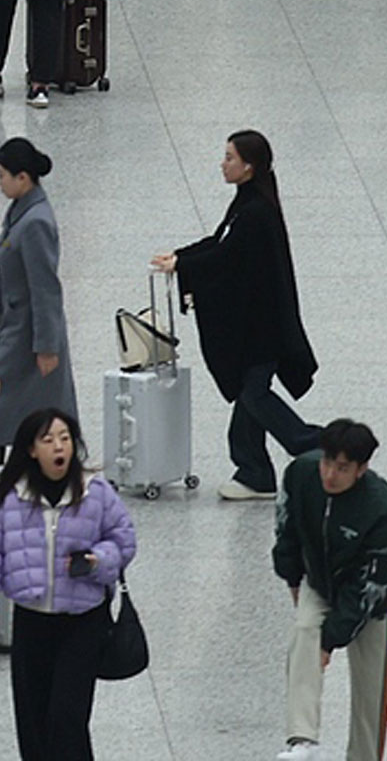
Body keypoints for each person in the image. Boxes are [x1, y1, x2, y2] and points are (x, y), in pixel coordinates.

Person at [155, 128, 320, 505]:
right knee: (249, 395)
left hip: (262, 327)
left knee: (254, 395)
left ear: (249, 166)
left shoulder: (257, 213)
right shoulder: (248, 204)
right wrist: (180, 258)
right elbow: (220, 243)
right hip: (258, 323)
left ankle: (319, 444)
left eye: (230, 157)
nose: (223, 163)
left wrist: (184, 265)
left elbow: (227, 259)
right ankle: (254, 472)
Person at [0, 407, 136, 761]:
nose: (59, 447)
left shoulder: (97, 493)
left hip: (83, 621)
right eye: (48, 440)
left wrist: (98, 560)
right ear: (31, 450)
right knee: (34, 720)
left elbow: (124, 542)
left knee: (67, 717)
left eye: (65, 438)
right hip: (32, 621)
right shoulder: (11, 497)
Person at [274, 418, 387, 761]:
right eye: (327, 462)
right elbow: (286, 530)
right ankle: (302, 740)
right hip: (319, 580)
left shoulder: (378, 504)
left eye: (342, 467)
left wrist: (331, 640)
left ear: (361, 469)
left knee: (371, 692)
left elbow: (375, 581)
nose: (330, 474)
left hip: (368, 600)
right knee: (304, 632)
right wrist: (292, 579)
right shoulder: (300, 475)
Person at [0, 136, 76, 467]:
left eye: (1, 174)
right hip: (17, 329)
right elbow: (8, 272)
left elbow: (45, 288)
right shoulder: (21, 212)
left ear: (22, 178)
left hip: (29, 336)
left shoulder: (36, 222)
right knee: (3, 414)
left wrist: (46, 346)